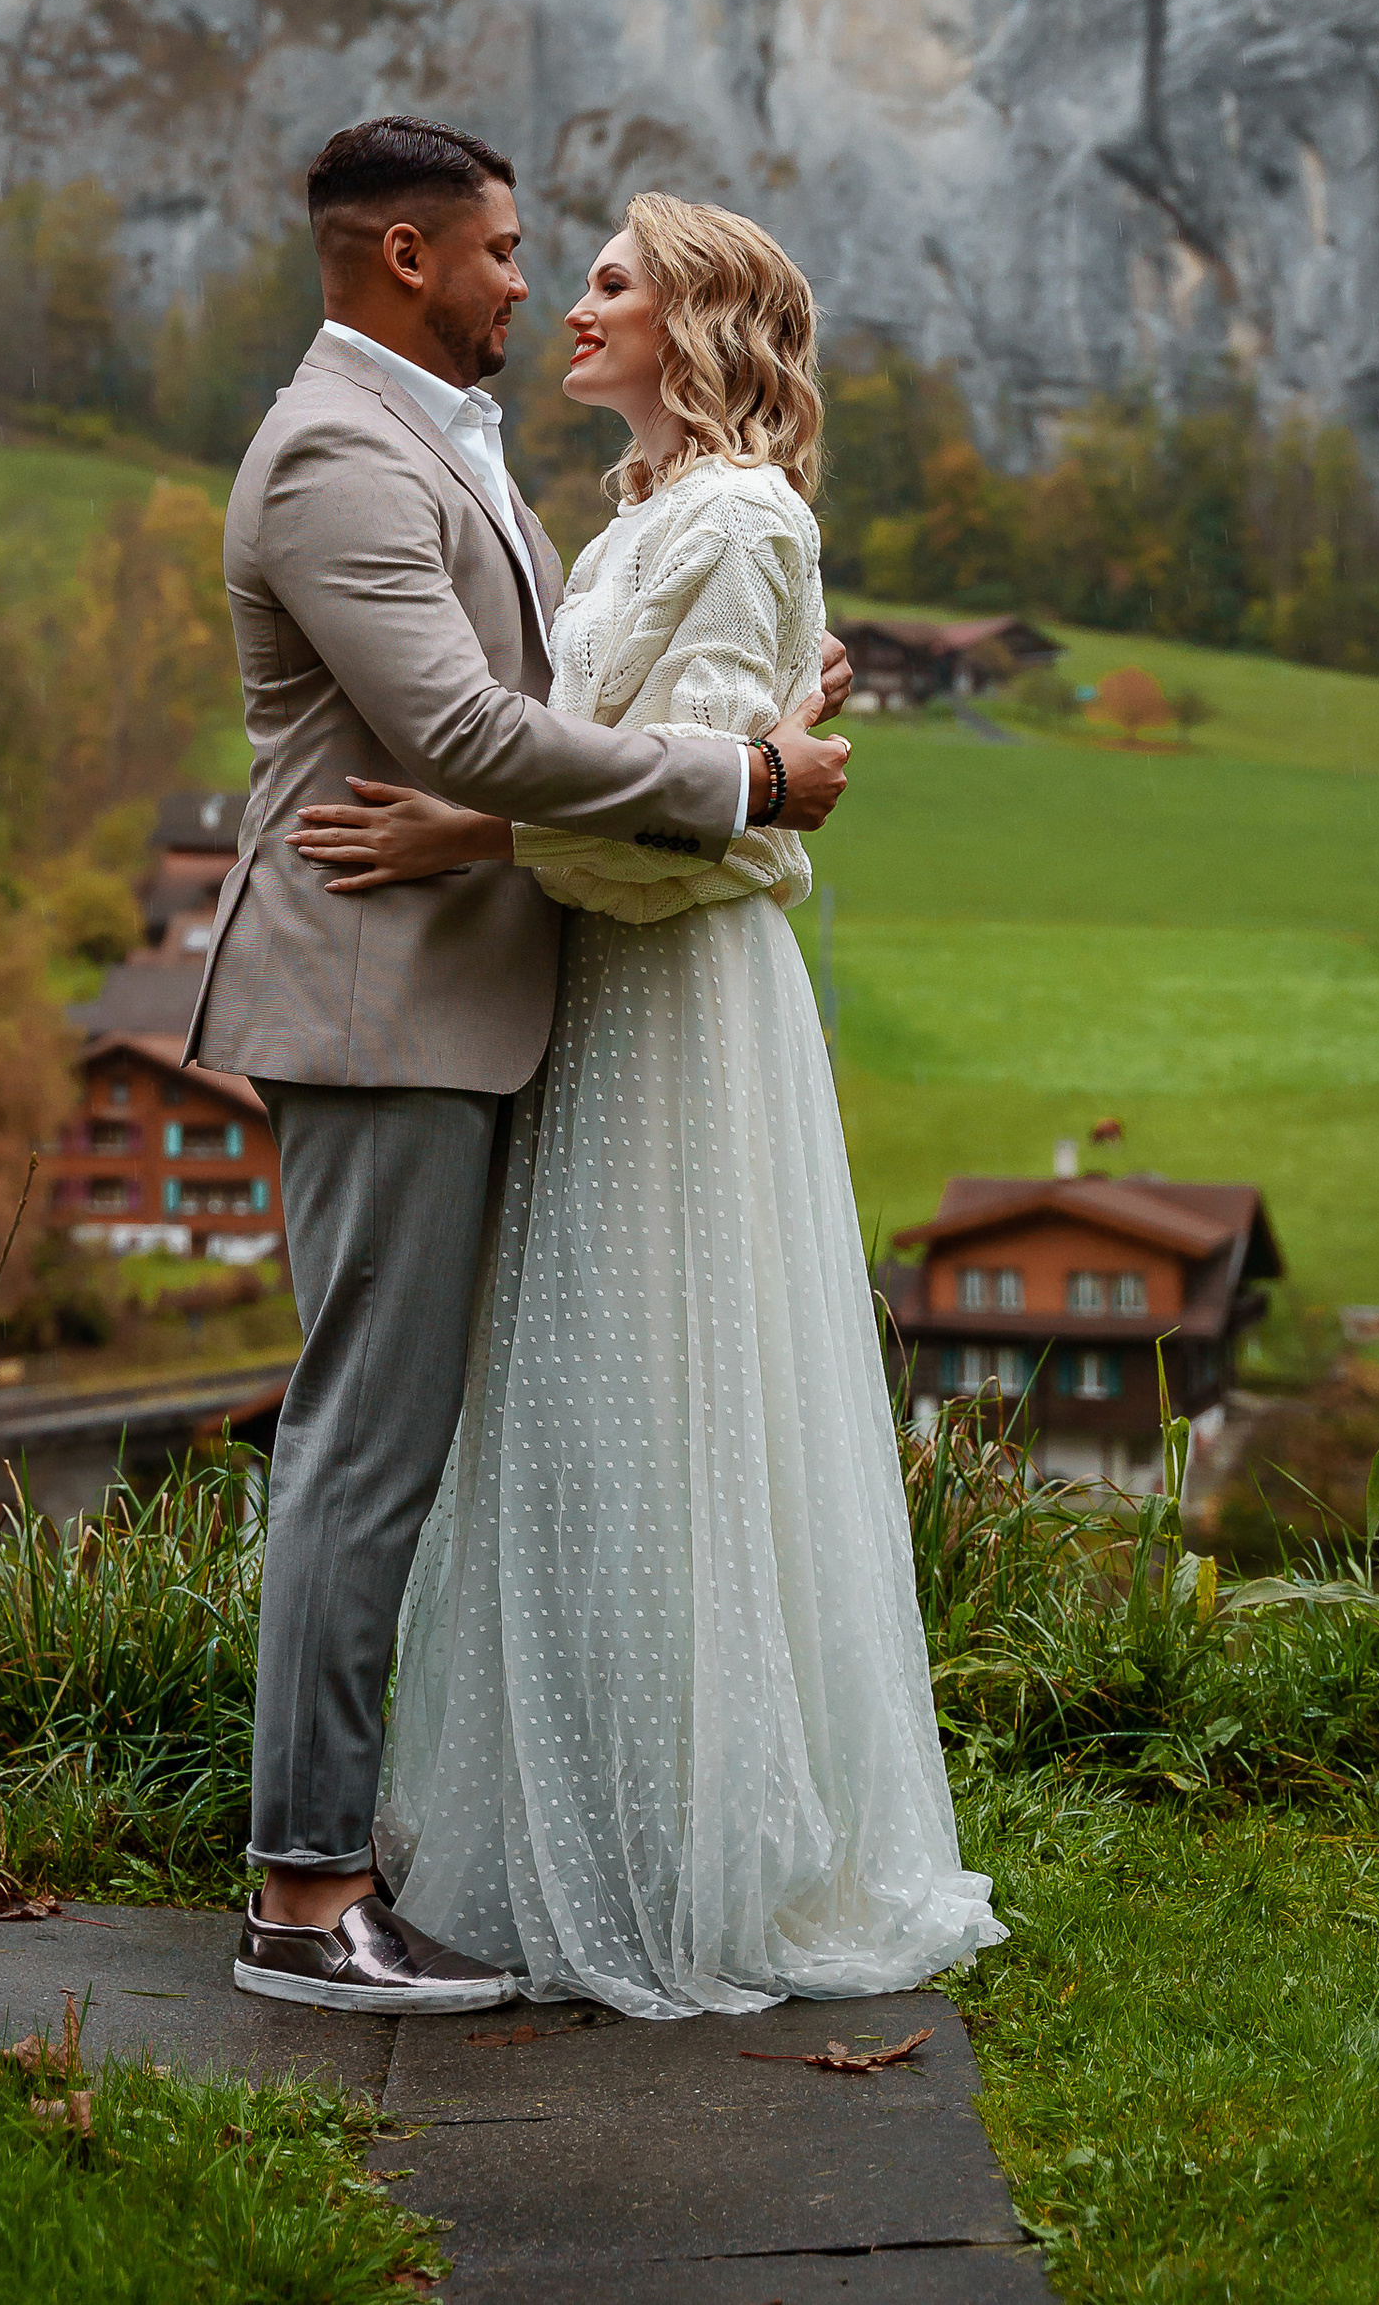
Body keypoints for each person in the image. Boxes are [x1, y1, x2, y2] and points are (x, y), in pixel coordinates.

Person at [294, 195, 1001, 2018]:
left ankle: (696, 1856)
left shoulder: (743, 518)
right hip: (586, 1009)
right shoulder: (630, 525)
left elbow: (697, 849)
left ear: (697, 325)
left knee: (676, 1413)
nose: (566, 302)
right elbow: (688, 766)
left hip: (670, 1010)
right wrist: (738, 755)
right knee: (579, 1425)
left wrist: (483, 827)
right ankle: (578, 1831)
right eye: (563, 268)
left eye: (607, 279)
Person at [187, 118, 854, 2017]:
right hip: (382, 1005)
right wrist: (742, 780)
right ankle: (306, 1908)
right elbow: (470, 730)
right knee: (364, 1450)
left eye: (575, 267)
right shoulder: (336, 449)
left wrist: (753, 723)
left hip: (466, 997)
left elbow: (565, 719)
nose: (528, 284)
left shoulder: (458, 451)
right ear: (405, 256)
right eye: (500, 251)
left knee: (398, 1447)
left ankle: (384, 1862)